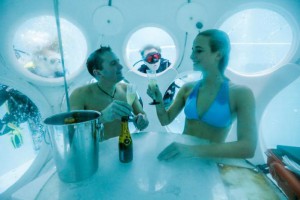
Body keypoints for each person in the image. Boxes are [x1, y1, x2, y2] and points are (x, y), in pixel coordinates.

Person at [147, 29, 257, 161]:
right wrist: (158, 101)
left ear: (218, 55)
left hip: (209, 163)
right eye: (192, 50)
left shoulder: (240, 93)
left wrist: (190, 150)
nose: (192, 56)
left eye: (198, 51)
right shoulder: (188, 88)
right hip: (183, 158)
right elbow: (165, 120)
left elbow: (248, 147)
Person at [70, 46, 149, 140]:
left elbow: (144, 119)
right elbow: (74, 130)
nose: (121, 66)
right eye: (113, 63)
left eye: (118, 62)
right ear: (98, 73)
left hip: (124, 146)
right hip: (97, 150)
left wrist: (142, 120)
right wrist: (102, 117)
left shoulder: (127, 89)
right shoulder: (79, 94)